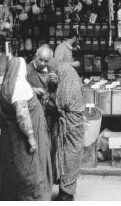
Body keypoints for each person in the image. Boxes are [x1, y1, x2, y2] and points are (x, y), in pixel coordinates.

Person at [0, 57, 52, 200]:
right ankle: (31, 197)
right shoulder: (19, 85)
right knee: (30, 169)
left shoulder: (7, 84)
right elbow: (22, 114)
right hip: (23, 141)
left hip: (11, 138)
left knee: (13, 169)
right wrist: (31, 137)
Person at [52, 64, 86, 200]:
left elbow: (61, 103)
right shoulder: (74, 85)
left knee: (68, 157)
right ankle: (67, 190)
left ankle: (66, 192)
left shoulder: (66, 92)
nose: (58, 77)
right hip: (75, 125)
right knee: (71, 157)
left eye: (60, 75)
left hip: (71, 126)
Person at [26, 45, 59, 129]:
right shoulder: (26, 69)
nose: (42, 63)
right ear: (36, 55)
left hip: (50, 114)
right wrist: (32, 90)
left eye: (46, 61)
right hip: (32, 113)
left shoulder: (53, 70)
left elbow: (60, 93)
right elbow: (18, 89)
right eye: (40, 59)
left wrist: (57, 82)